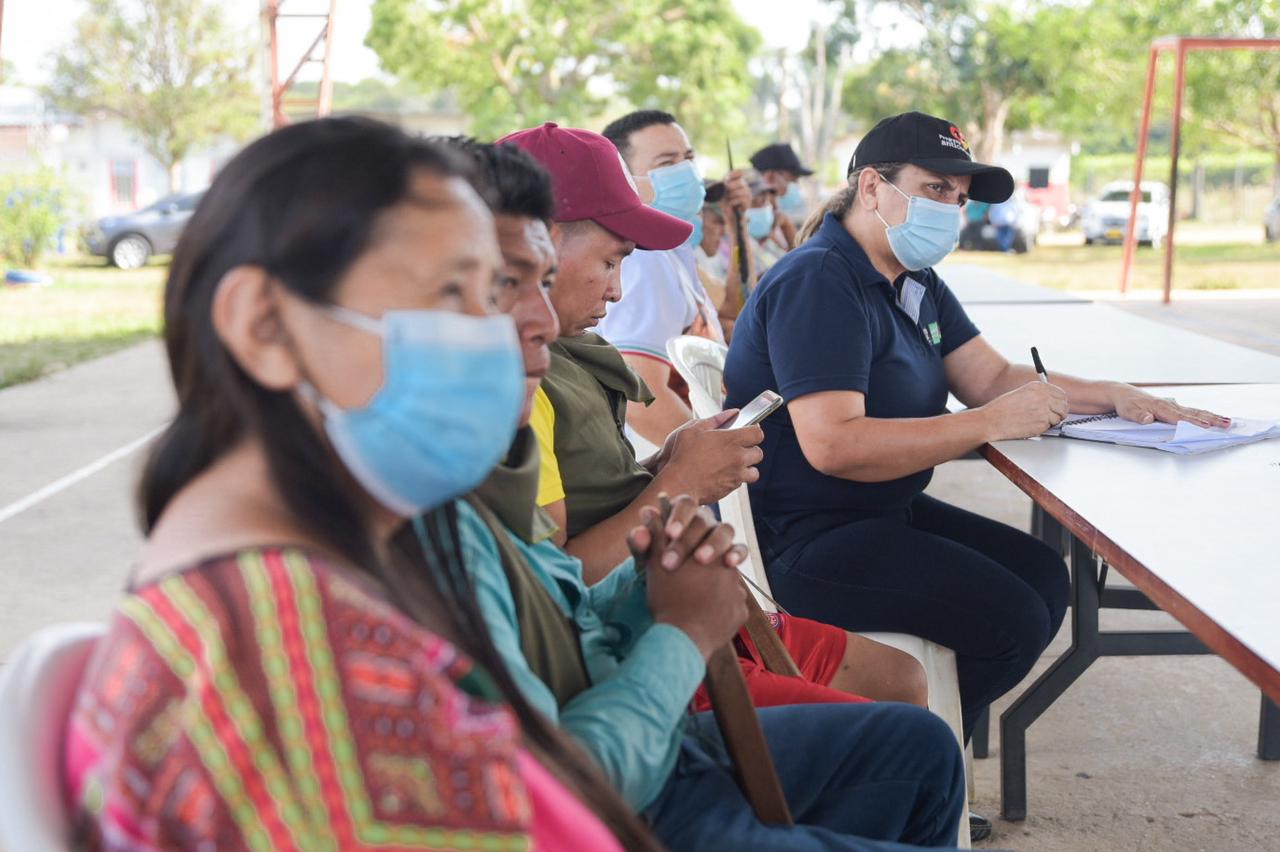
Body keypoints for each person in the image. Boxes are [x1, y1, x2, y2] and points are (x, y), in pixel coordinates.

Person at [62, 117, 654, 850]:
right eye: (456, 292)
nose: (520, 323)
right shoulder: (286, 674)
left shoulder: (304, 584)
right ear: (265, 326)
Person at [445, 135, 967, 851]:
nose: (533, 322)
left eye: (533, 282)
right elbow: (569, 782)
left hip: (643, 676)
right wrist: (681, 622)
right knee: (957, 658)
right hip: (634, 764)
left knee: (920, 743)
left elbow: (564, 591)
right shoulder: (424, 527)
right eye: (499, 286)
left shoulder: (474, 471)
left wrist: (669, 536)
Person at [724, 111, 1232, 749]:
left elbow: (990, 377)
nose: (951, 209)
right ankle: (901, 758)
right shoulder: (821, 280)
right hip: (803, 538)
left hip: (878, 511)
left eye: (958, 198)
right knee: (1011, 620)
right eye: (936, 189)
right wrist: (984, 425)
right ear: (873, 187)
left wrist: (1113, 394)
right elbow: (835, 445)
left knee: (1044, 577)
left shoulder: (912, 280)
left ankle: (931, 743)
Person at [501, 122, 931, 710]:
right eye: (609, 261)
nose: (618, 291)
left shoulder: (562, 353)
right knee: (907, 743)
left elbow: (590, 499)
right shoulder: (522, 385)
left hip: (667, 605)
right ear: (541, 247)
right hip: (630, 649)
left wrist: (665, 464)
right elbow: (555, 588)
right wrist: (680, 484)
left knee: (900, 680)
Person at [597, 110, 754, 447]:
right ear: (624, 179)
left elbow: (734, 311)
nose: (685, 171)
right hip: (667, 473)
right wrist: (718, 461)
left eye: (688, 158)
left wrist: (737, 225)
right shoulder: (643, 259)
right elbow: (643, 399)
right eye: (668, 163)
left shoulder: (671, 252)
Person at [750, 141, 815, 250]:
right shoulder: (755, 220)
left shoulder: (774, 215)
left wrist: (786, 225)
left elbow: (795, 255)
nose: (795, 186)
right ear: (770, 176)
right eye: (791, 180)